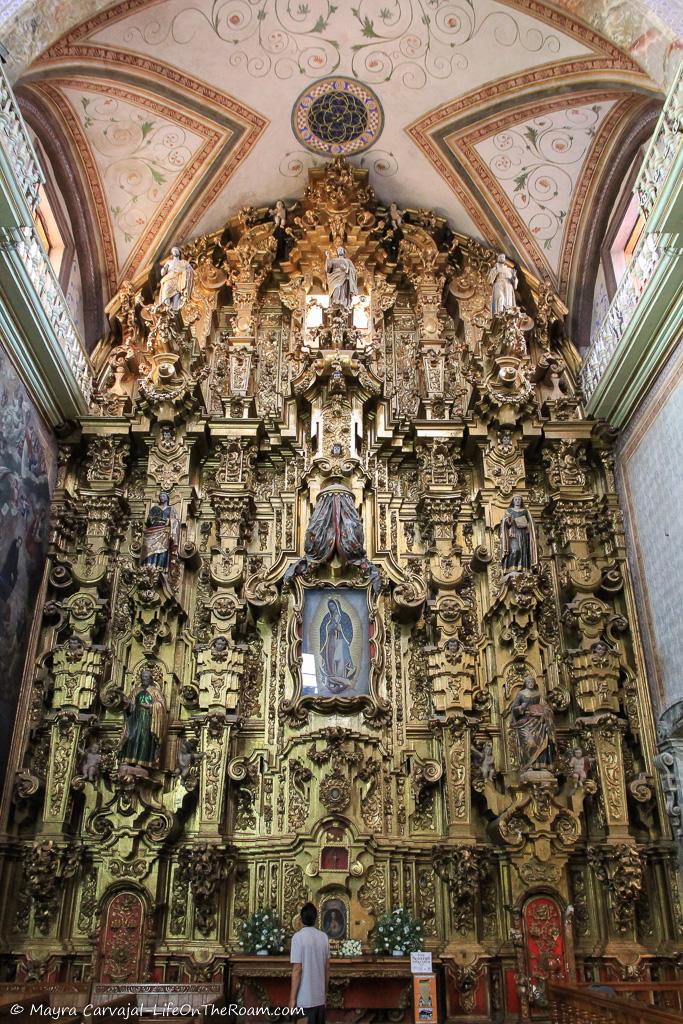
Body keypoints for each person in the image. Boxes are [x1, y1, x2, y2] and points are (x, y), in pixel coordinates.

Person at [289, 902, 330, 1024]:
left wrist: (292, 999)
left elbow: (297, 969)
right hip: (319, 998)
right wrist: (325, 993)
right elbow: (327, 968)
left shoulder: (298, 937)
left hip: (304, 999)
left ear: (300, 919)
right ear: (316, 919)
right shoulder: (324, 937)